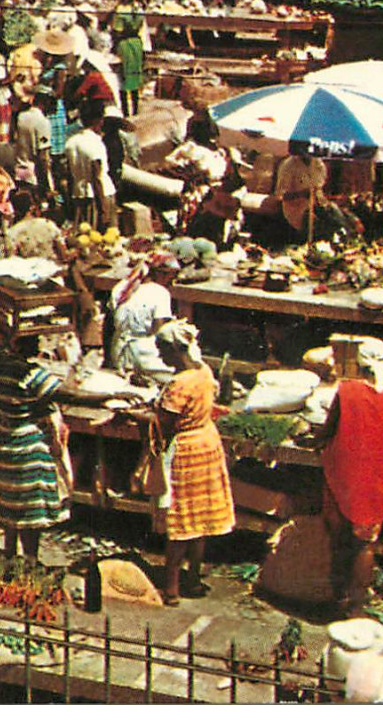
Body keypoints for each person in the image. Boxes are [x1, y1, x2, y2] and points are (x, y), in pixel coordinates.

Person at [0, 331, 132, 559]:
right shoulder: (30, 374)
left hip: (6, 441)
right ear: (19, 345)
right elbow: (68, 396)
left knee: (11, 503)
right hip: (28, 447)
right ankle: (30, 561)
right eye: (33, 341)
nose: (38, 346)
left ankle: (9, 555)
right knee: (29, 511)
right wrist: (109, 396)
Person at [315, 338, 383, 614]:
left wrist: (313, 440)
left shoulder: (347, 391)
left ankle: (338, 598)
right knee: (365, 542)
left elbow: (329, 429)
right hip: (377, 477)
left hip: (344, 474)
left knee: (339, 538)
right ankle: (357, 605)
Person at [153, 320, 235, 604]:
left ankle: (172, 587)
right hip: (207, 443)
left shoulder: (179, 384)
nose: (160, 357)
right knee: (199, 520)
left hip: (186, 451)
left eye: (162, 350)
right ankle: (193, 578)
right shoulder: (204, 372)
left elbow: (165, 423)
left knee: (181, 518)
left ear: (175, 349)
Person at [110, 253, 177, 370]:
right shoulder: (160, 293)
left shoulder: (122, 287)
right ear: (160, 273)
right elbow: (159, 332)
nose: (171, 283)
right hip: (143, 353)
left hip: (118, 350)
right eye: (171, 278)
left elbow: (109, 324)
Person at [64, 101, 114, 230]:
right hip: (98, 197)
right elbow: (96, 177)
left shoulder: (71, 142)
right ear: (99, 120)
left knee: (84, 237)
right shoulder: (95, 143)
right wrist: (103, 210)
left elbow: (69, 175)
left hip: (79, 195)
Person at [14, 88, 55, 198]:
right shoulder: (43, 122)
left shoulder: (21, 116)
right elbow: (43, 156)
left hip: (19, 171)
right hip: (35, 176)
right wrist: (48, 186)